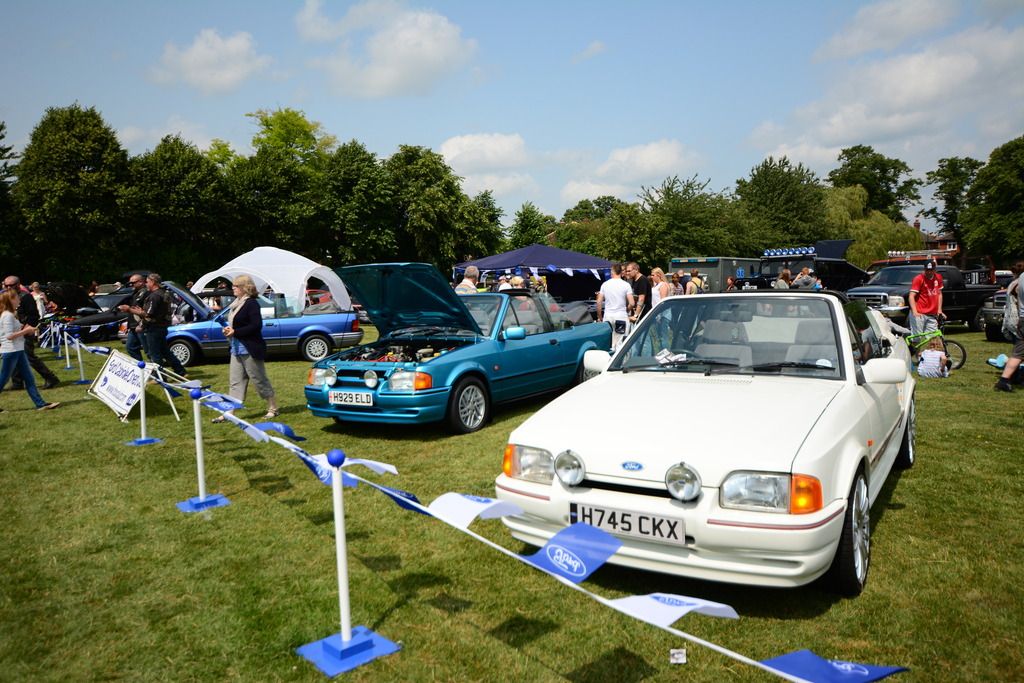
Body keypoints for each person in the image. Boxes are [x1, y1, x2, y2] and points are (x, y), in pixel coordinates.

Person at [213, 275, 279, 422]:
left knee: (259, 379)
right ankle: (229, 412)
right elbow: (236, 325)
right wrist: (229, 330)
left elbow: (256, 326)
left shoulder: (251, 304)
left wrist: (236, 332)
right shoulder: (236, 303)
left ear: (244, 288)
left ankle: (273, 408)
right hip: (235, 348)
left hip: (250, 348)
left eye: (236, 286)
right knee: (235, 382)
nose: (233, 288)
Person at [0, 290, 60, 412]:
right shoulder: (7, 315)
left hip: (18, 350)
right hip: (11, 351)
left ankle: (40, 404)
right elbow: (9, 336)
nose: (19, 300)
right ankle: (40, 404)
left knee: (29, 379)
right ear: (10, 300)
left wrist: (27, 328)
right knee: (3, 380)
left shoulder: (11, 314)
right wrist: (26, 331)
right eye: (17, 298)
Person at [3, 275, 60, 390]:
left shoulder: (26, 297)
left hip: (25, 331)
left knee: (29, 357)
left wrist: (26, 329)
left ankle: (50, 378)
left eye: (11, 285)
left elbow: (34, 316)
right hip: (12, 331)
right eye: (6, 285)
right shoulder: (7, 297)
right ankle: (17, 383)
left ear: (18, 285)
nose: (8, 288)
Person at [138, 273, 188, 376]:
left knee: (155, 354)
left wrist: (141, 323)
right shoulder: (165, 293)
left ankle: (159, 377)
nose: (146, 284)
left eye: (147, 282)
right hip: (162, 327)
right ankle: (180, 371)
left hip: (154, 328)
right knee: (165, 352)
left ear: (153, 282)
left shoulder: (154, 296)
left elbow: (149, 314)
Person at [995, 261, 1024, 392]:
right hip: (1016, 319)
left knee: (1018, 352)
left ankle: (1004, 380)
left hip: (1021, 319)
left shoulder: (1021, 279)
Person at [596, 264, 635, 348]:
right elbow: (632, 303)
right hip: (621, 316)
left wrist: (599, 317)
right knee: (620, 344)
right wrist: (627, 310)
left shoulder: (605, 284)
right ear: (621, 272)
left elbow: (599, 302)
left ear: (612, 272)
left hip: (608, 316)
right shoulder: (626, 285)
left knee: (608, 343)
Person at [117, 273, 150, 362]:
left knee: (149, 351)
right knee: (131, 347)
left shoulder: (145, 292)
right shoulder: (135, 293)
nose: (131, 285)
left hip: (142, 325)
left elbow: (141, 310)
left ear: (141, 282)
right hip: (133, 326)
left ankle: (161, 373)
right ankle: (141, 368)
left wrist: (128, 309)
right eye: (130, 283)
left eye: (133, 283)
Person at [908, 261, 944, 337]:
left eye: (931, 270)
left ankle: (931, 349)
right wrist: (915, 312)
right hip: (919, 313)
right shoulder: (918, 279)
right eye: (927, 270)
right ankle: (912, 348)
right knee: (917, 338)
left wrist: (939, 310)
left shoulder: (938, 277)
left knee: (933, 339)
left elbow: (939, 294)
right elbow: (911, 296)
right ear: (924, 269)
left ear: (935, 270)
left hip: (932, 314)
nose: (929, 272)